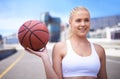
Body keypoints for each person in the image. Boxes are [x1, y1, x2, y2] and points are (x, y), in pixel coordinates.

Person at [26, 6, 107, 79]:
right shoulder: (59, 47)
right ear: (70, 23)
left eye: (86, 20)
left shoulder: (99, 50)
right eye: (78, 20)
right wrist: (45, 58)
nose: (83, 24)